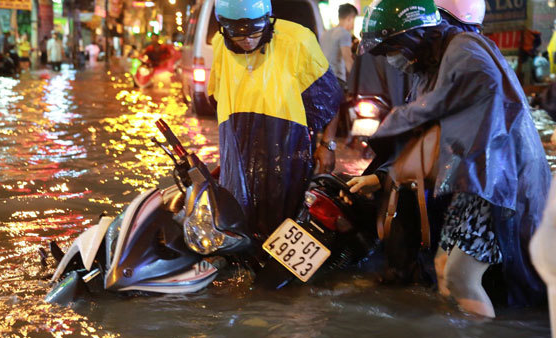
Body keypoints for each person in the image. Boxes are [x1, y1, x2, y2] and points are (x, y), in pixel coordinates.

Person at [349, 0, 551, 317]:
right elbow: (423, 137)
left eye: (394, 48)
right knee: (444, 268)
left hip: (490, 181)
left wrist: (415, 115)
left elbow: (462, 105)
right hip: (470, 182)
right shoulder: (431, 67)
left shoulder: (465, 49)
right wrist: (382, 175)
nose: (393, 59)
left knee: (460, 275)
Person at [207, 0, 342, 237]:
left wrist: (327, 145)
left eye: (255, 30)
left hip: (288, 155)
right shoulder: (220, 45)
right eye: (239, 34)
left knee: (285, 225)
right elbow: (218, 99)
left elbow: (331, 98)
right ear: (223, 28)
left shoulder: (297, 40)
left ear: (268, 19)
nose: (248, 39)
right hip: (239, 161)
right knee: (241, 231)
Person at [321, 4, 358, 91]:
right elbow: (348, 60)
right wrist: (359, 81)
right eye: (354, 20)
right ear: (350, 18)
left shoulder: (325, 33)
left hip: (323, 80)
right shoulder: (344, 33)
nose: (353, 25)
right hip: (337, 81)